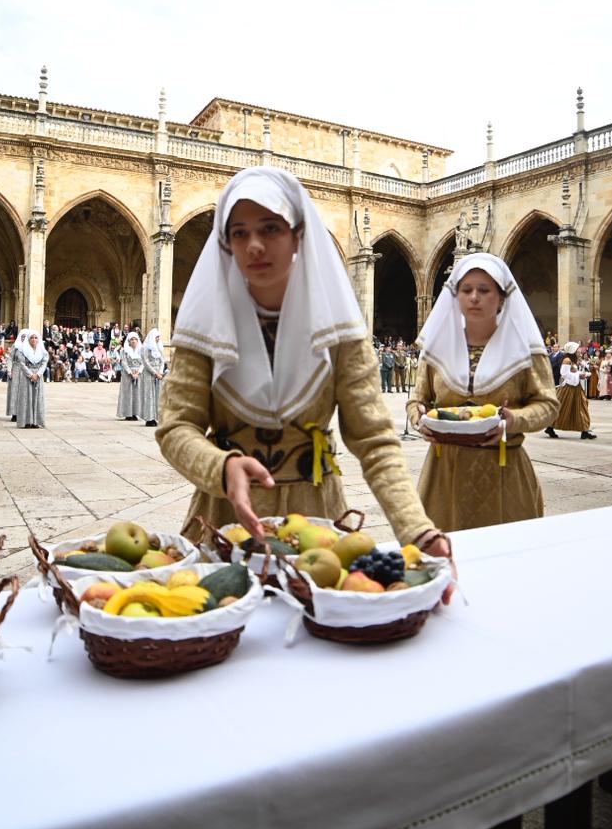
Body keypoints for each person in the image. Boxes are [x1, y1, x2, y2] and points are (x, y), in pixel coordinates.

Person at [155, 167, 451, 567]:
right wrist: (220, 467)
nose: (254, 245)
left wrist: (417, 529)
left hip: (317, 519)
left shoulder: (338, 328)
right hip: (227, 519)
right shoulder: (206, 327)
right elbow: (176, 427)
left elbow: (374, 441)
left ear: (297, 234)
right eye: (239, 232)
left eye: (270, 228)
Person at [409, 253, 558, 530]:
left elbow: (547, 405)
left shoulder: (524, 349)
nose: (474, 297)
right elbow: (418, 399)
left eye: (484, 290)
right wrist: (419, 417)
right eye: (466, 290)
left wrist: (514, 420)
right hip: (444, 473)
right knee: (446, 558)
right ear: (456, 297)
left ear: (502, 298)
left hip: (503, 470)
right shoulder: (436, 348)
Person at [546, 352, 595, 440]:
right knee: (563, 408)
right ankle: (550, 427)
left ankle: (584, 431)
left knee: (582, 407)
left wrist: (581, 375)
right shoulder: (567, 360)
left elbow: (573, 372)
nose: (578, 352)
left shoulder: (572, 360)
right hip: (568, 388)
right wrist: (579, 375)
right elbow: (564, 374)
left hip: (576, 387)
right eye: (577, 350)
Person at [14, 330, 47, 428]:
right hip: (27, 377)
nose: (34, 340)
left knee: (37, 398)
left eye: (36, 338)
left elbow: (44, 363)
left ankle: (36, 422)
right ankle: (27, 421)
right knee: (26, 398)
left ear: (38, 339)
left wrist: (38, 374)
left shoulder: (42, 351)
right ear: (28, 339)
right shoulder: (22, 350)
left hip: (38, 377)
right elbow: (22, 364)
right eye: (31, 338)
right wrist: (30, 375)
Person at [137, 328, 165, 427]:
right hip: (149, 373)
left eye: (159, 337)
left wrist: (160, 372)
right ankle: (149, 418)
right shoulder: (145, 348)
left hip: (158, 374)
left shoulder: (159, 347)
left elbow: (162, 360)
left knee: (157, 396)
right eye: (156, 337)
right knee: (149, 395)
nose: (158, 339)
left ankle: (157, 417)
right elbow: (146, 362)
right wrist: (155, 373)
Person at [117, 329, 143, 420]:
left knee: (137, 394)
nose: (133, 341)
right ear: (128, 341)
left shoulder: (142, 350)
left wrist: (139, 372)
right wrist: (130, 373)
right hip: (127, 374)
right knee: (128, 393)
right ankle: (128, 413)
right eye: (131, 339)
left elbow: (143, 362)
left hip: (138, 374)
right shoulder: (124, 350)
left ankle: (135, 413)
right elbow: (124, 362)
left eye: (135, 339)